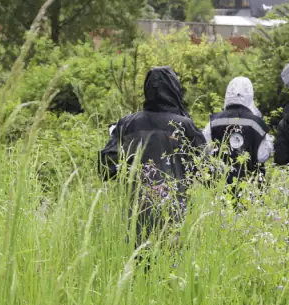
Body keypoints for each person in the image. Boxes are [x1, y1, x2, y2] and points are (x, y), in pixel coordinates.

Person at [98, 66, 207, 250]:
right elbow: (210, 172)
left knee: (138, 265)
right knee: (173, 265)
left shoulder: (127, 124)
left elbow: (105, 168)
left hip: (136, 220)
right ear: (174, 88)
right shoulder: (185, 125)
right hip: (175, 217)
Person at [202, 77, 273, 197]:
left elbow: (204, 150)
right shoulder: (257, 123)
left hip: (219, 189)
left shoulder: (213, 122)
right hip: (250, 190)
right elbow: (262, 156)